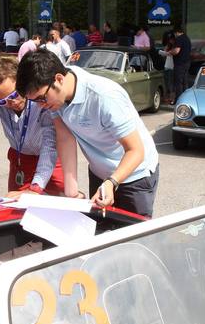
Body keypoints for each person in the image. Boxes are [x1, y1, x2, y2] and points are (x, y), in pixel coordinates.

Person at [16, 50, 160, 218]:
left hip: (135, 175)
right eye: (34, 101)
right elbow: (65, 138)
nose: (40, 105)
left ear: (59, 79)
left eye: (41, 98)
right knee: (99, 229)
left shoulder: (105, 96)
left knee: (133, 230)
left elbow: (136, 150)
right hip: (100, 174)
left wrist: (112, 182)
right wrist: (71, 191)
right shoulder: (56, 98)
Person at [0, 54, 64, 200]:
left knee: (60, 205)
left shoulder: (41, 96)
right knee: (15, 207)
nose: (11, 103)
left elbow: (49, 144)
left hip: (51, 159)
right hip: (20, 159)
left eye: (14, 94)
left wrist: (36, 187)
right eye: (2, 102)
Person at [167, 23, 191, 102]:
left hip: (180, 64)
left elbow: (176, 51)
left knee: (178, 83)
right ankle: (186, 99)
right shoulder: (186, 38)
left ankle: (179, 100)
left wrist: (169, 52)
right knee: (185, 82)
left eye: (174, 33)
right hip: (186, 62)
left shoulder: (179, 39)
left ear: (176, 32)